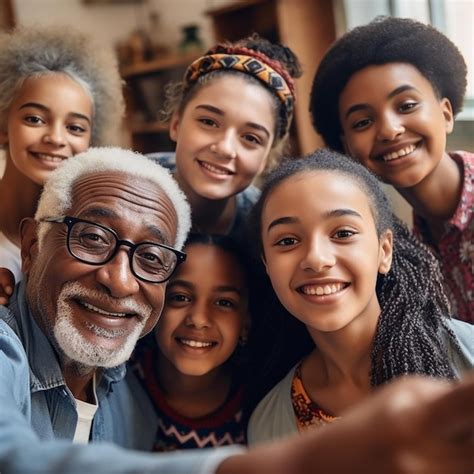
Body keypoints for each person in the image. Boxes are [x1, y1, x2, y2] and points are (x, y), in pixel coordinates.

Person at [0, 146, 474, 473]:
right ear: (30, 245)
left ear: (385, 249)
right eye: (94, 239)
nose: (120, 278)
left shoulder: (126, 391)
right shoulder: (270, 418)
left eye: (150, 258)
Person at [245, 149, 473, 444]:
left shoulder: (466, 357)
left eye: (342, 234)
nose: (316, 258)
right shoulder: (268, 425)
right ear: (267, 265)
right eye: (287, 241)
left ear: (384, 250)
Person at [309, 16, 473, 323]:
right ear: (347, 147)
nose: (388, 130)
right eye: (363, 122)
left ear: (446, 113)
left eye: (407, 105)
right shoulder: (401, 248)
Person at [0, 25, 124, 281]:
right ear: (3, 126)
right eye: (34, 119)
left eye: (75, 127)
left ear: (92, 141)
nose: (56, 138)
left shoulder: (93, 237)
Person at [150, 34, 301, 240]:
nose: (225, 148)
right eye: (209, 122)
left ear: (266, 158)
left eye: (251, 138)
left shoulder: (266, 230)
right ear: (176, 124)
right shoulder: (122, 185)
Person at [133, 233, 251, 450]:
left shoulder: (257, 407)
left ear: (246, 323)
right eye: (180, 297)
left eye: (224, 302)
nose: (198, 319)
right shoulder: (117, 383)